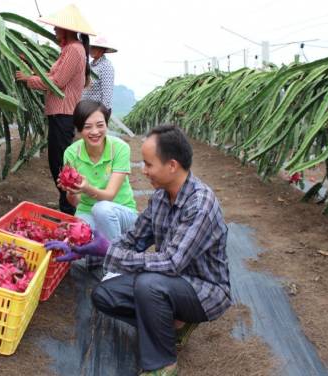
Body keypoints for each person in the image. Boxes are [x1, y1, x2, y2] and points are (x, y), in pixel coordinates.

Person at [48, 124, 231, 376]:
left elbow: (171, 263)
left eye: (148, 164)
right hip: (170, 282)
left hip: (204, 288)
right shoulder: (160, 198)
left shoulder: (200, 204)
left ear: (172, 166)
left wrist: (108, 252)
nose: (143, 171)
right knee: (104, 295)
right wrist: (87, 248)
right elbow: (133, 239)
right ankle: (174, 326)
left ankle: (162, 364)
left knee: (149, 285)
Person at [15, 4, 95, 215]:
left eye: (57, 27)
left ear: (66, 29)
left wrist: (28, 79)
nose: (54, 30)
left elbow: (57, 81)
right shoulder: (69, 50)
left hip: (64, 114)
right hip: (60, 113)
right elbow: (54, 76)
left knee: (59, 163)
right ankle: (67, 204)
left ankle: (69, 208)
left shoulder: (74, 50)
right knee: (57, 161)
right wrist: (31, 68)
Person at [54, 100, 137, 266]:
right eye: (87, 127)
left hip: (121, 212)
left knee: (102, 209)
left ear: (106, 124)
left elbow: (110, 196)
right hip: (87, 211)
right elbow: (76, 202)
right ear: (78, 129)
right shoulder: (71, 153)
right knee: (78, 255)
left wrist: (86, 187)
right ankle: (103, 257)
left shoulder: (120, 148)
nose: (95, 132)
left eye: (100, 125)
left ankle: (118, 263)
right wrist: (71, 190)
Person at [81, 35, 117, 116]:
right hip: (86, 110)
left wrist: (100, 114)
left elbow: (107, 96)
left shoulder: (106, 66)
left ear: (102, 49)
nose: (91, 49)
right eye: (91, 46)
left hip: (97, 112)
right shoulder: (90, 65)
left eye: (95, 47)